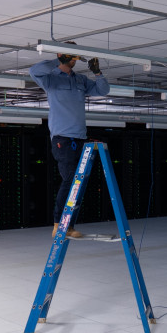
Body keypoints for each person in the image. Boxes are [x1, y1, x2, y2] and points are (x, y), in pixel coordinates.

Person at [29, 46, 109, 238]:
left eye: (74, 55)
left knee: (78, 182)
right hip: (62, 139)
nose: (74, 58)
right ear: (61, 54)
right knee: (71, 179)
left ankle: (69, 225)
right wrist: (59, 61)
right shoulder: (50, 79)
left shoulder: (80, 80)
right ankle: (58, 224)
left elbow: (103, 90)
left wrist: (97, 72)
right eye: (70, 55)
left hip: (80, 138)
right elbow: (33, 71)